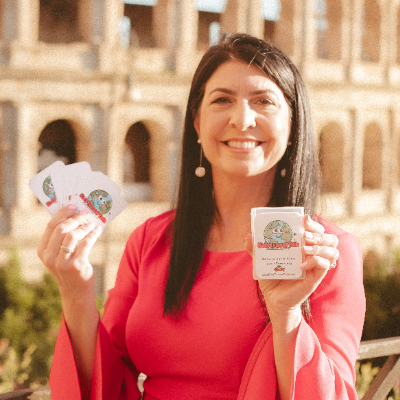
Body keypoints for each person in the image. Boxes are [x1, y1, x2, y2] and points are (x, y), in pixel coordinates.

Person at [38, 34, 365, 400]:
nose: (242, 119)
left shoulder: (323, 252)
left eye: (263, 101)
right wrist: (77, 293)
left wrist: (286, 313)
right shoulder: (150, 241)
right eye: (222, 100)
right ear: (196, 121)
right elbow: (107, 385)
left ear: (293, 124)